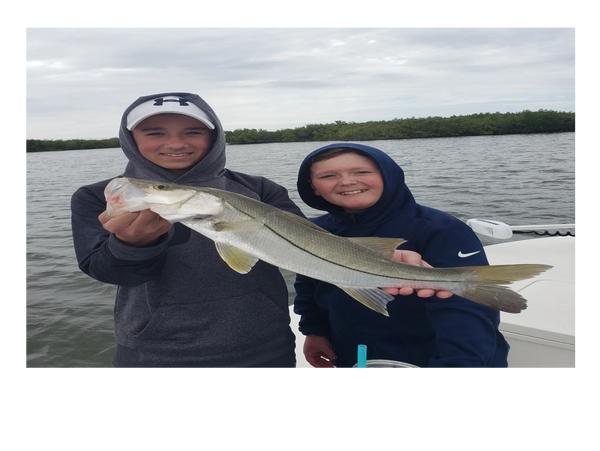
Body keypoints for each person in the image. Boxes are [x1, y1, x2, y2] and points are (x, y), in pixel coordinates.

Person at [71, 92, 440, 370]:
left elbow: (309, 244)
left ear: (214, 136)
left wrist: (372, 259)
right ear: (130, 138)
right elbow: (105, 271)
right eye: (154, 132)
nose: (175, 143)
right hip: (157, 352)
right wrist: (134, 243)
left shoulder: (259, 189)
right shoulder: (99, 196)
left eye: (193, 131)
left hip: (266, 345)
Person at [294, 143, 510, 371]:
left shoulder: (440, 229)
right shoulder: (314, 231)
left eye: (362, 172)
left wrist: (459, 365)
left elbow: (465, 309)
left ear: (389, 175)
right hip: (352, 353)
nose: (347, 181)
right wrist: (314, 330)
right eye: (329, 175)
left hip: (431, 357)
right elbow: (309, 283)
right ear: (314, 187)